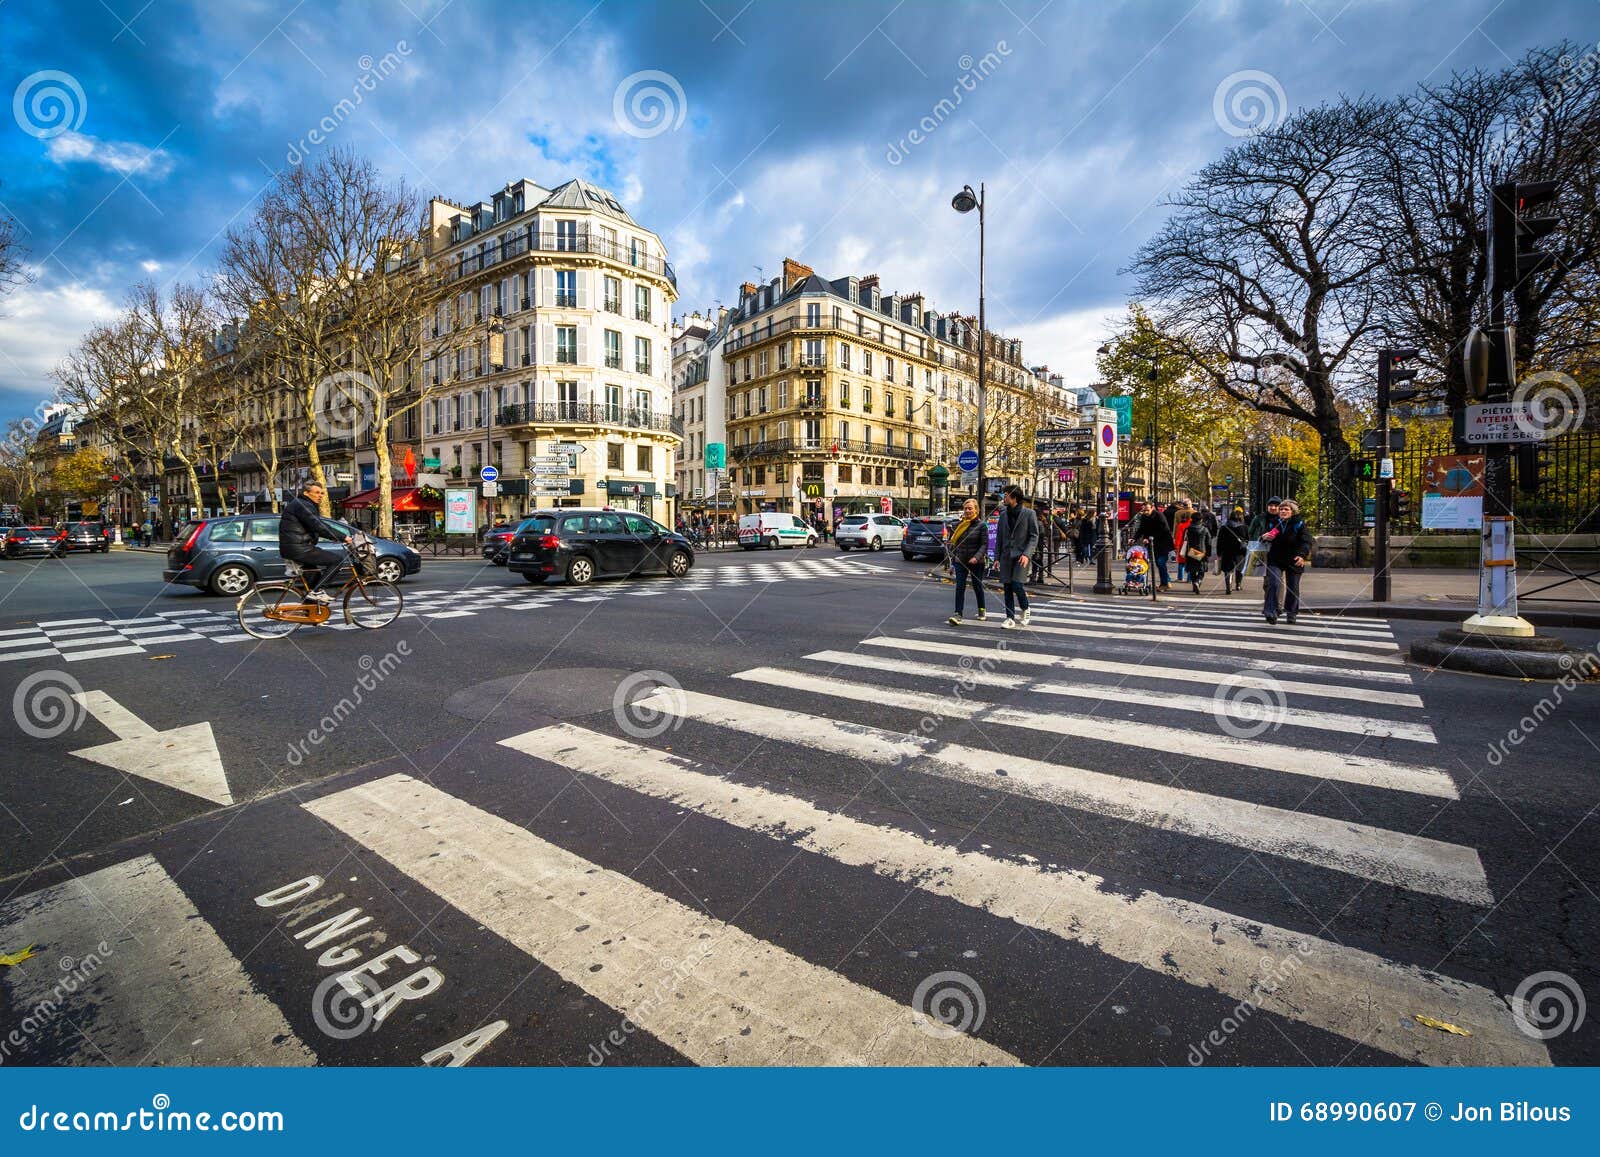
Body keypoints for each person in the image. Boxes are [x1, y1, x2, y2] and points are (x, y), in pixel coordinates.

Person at [279, 481, 353, 604]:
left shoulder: (301, 504)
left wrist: (334, 537)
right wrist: (342, 537)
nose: (320, 495)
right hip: (300, 548)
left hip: (295, 548)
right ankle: (317, 592)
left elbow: (315, 526)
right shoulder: (304, 505)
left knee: (315, 579)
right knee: (337, 560)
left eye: (322, 493)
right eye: (317, 493)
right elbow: (318, 525)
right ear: (306, 493)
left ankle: (311, 614)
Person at [1262, 497, 1315, 624]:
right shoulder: (1274, 522)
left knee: (1293, 587)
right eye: (1281, 509)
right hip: (1276, 558)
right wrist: (1263, 537)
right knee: (1273, 583)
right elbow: (1265, 536)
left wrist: (1302, 555)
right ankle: (1271, 611)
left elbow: (1306, 541)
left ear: (1293, 511)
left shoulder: (1299, 524)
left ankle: (1291, 612)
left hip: (1294, 559)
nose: (1283, 511)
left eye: (1286, 509)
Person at [995, 485, 1039, 629]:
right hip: (1006, 555)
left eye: (1006, 495)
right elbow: (999, 538)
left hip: (1021, 555)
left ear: (1014, 497)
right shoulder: (1002, 514)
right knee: (1007, 586)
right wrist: (996, 557)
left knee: (1017, 584)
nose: (1004, 497)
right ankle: (1010, 617)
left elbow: (1034, 536)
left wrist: (1027, 554)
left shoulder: (1029, 513)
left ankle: (1025, 608)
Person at [945, 498, 989, 626]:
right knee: (960, 587)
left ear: (976, 510)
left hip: (976, 561)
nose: (968, 511)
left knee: (977, 586)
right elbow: (955, 546)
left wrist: (976, 557)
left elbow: (984, 544)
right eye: (966, 508)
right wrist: (952, 563)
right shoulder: (960, 525)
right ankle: (958, 614)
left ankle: (982, 609)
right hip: (961, 560)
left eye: (970, 508)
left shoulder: (981, 525)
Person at [1129, 500, 1173, 590]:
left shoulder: (1159, 516)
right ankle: (1167, 581)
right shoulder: (1144, 517)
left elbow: (1164, 530)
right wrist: (1134, 538)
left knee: (1160, 563)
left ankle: (1164, 583)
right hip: (1152, 544)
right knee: (1158, 563)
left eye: (1147, 510)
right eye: (1143, 510)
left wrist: (1150, 537)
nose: (1145, 512)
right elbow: (1141, 529)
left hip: (1163, 543)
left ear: (1152, 508)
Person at [1216, 506, 1248, 594]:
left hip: (1227, 551)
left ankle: (1228, 586)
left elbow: (1219, 541)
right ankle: (1238, 584)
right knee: (1240, 568)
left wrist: (1219, 553)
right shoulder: (1244, 527)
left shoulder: (1224, 527)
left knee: (1227, 569)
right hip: (1240, 551)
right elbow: (1247, 540)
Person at [1181, 511, 1212, 594]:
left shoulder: (1187, 529)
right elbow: (1209, 542)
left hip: (1190, 551)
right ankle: (1198, 581)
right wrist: (1208, 553)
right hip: (1202, 552)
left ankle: (1194, 583)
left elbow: (1183, 541)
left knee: (1192, 570)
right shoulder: (1205, 529)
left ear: (1192, 519)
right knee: (1201, 570)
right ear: (1201, 520)